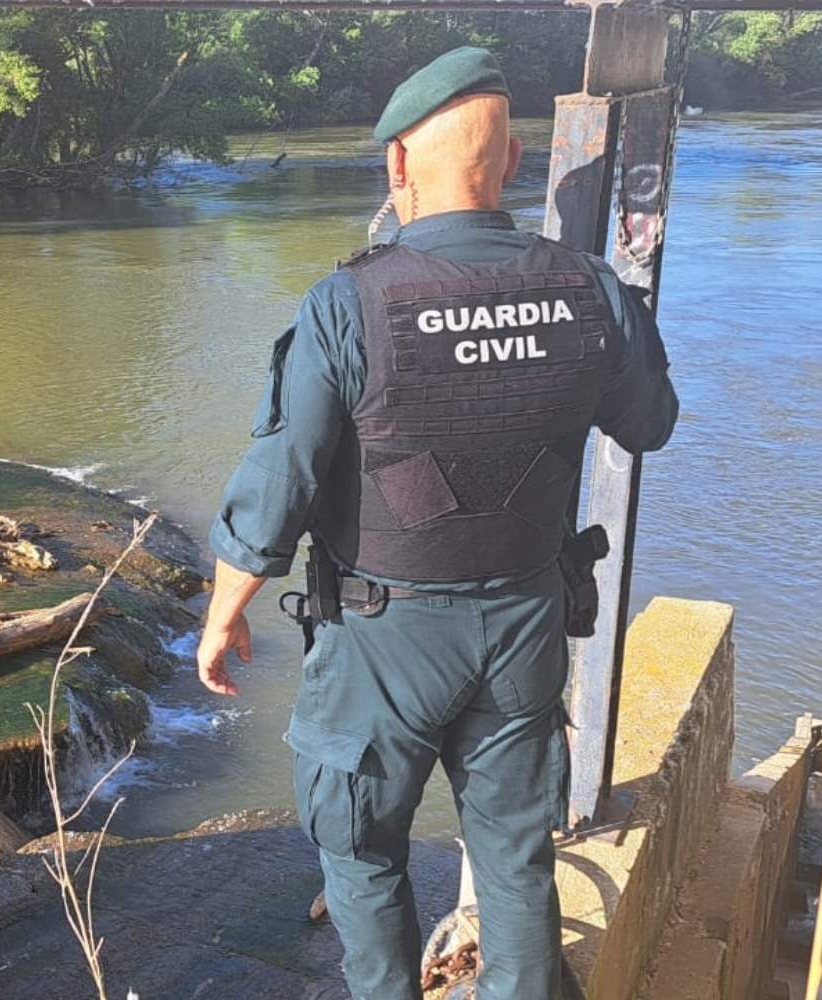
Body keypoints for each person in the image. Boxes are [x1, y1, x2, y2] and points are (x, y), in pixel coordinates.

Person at [196, 46, 678, 1000]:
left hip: (385, 637)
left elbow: (283, 477)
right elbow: (649, 425)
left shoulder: (351, 304)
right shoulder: (591, 291)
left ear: (398, 168)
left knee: (363, 848)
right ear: (512, 161)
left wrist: (225, 611)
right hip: (527, 625)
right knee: (513, 856)